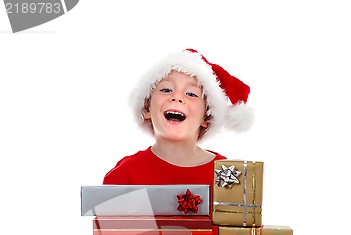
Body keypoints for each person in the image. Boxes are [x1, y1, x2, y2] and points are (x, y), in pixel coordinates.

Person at [103, 49, 253, 189]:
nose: (177, 97)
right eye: (166, 90)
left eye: (191, 94)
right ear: (147, 108)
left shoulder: (227, 175)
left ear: (206, 117)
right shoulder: (125, 174)